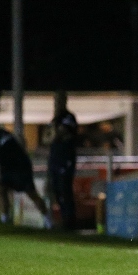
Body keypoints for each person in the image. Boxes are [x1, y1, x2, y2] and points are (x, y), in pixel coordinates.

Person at [0, 127, 51, 228]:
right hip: (9, 167)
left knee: (31, 193)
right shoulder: (4, 134)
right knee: (2, 189)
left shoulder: (3, 134)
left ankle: (47, 219)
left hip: (20, 167)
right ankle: (5, 218)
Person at [46, 90, 78, 230]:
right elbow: (47, 138)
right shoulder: (55, 119)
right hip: (55, 158)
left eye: (60, 100)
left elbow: (59, 135)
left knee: (64, 189)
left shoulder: (68, 117)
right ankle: (64, 219)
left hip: (65, 158)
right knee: (55, 189)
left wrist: (56, 134)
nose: (57, 103)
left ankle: (69, 221)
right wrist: (55, 134)